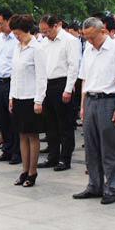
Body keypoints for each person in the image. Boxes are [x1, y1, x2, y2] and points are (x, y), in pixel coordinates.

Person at [73, 17, 115, 205]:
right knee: (91, 146)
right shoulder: (88, 50)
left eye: (92, 37)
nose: (89, 40)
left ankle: (111, 187)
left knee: (109, 147)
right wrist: (82, 106)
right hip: (90, 99)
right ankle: (94, 185)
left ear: (103, 31)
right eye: (86, 37)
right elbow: (84, 80)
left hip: (109, 100)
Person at [8, 14, 48, 187]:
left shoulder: (36, 48)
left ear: (25, 30)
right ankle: (24, 170)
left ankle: (33, 172)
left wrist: (39, 100)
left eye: (17, 33)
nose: (16, 36)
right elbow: (14, 74)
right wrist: (11, 97)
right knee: (21, 135)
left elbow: (41, 77)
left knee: (32, 135)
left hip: (31, 98)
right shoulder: (17, 47)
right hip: (18, 96)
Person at [38, 15, 80, 170]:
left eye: (47, 31)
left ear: (56, 26)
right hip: (46, 84)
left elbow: (73, 66)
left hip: (62, 84)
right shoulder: (43, 42)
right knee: (50, 124)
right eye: (42, 31)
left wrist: (68, 89)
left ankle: (65, 158)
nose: (45, 34)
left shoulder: (70, 40)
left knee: (65, 124)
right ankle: (52, 156)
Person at [0, 9, 20, 164]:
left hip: (12, 82)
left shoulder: (17, 39)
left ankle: (17, 151)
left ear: (9, 21)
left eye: (1, 23)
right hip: (0, 82)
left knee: (13, 118)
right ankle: (7, 149)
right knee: (2, 119)